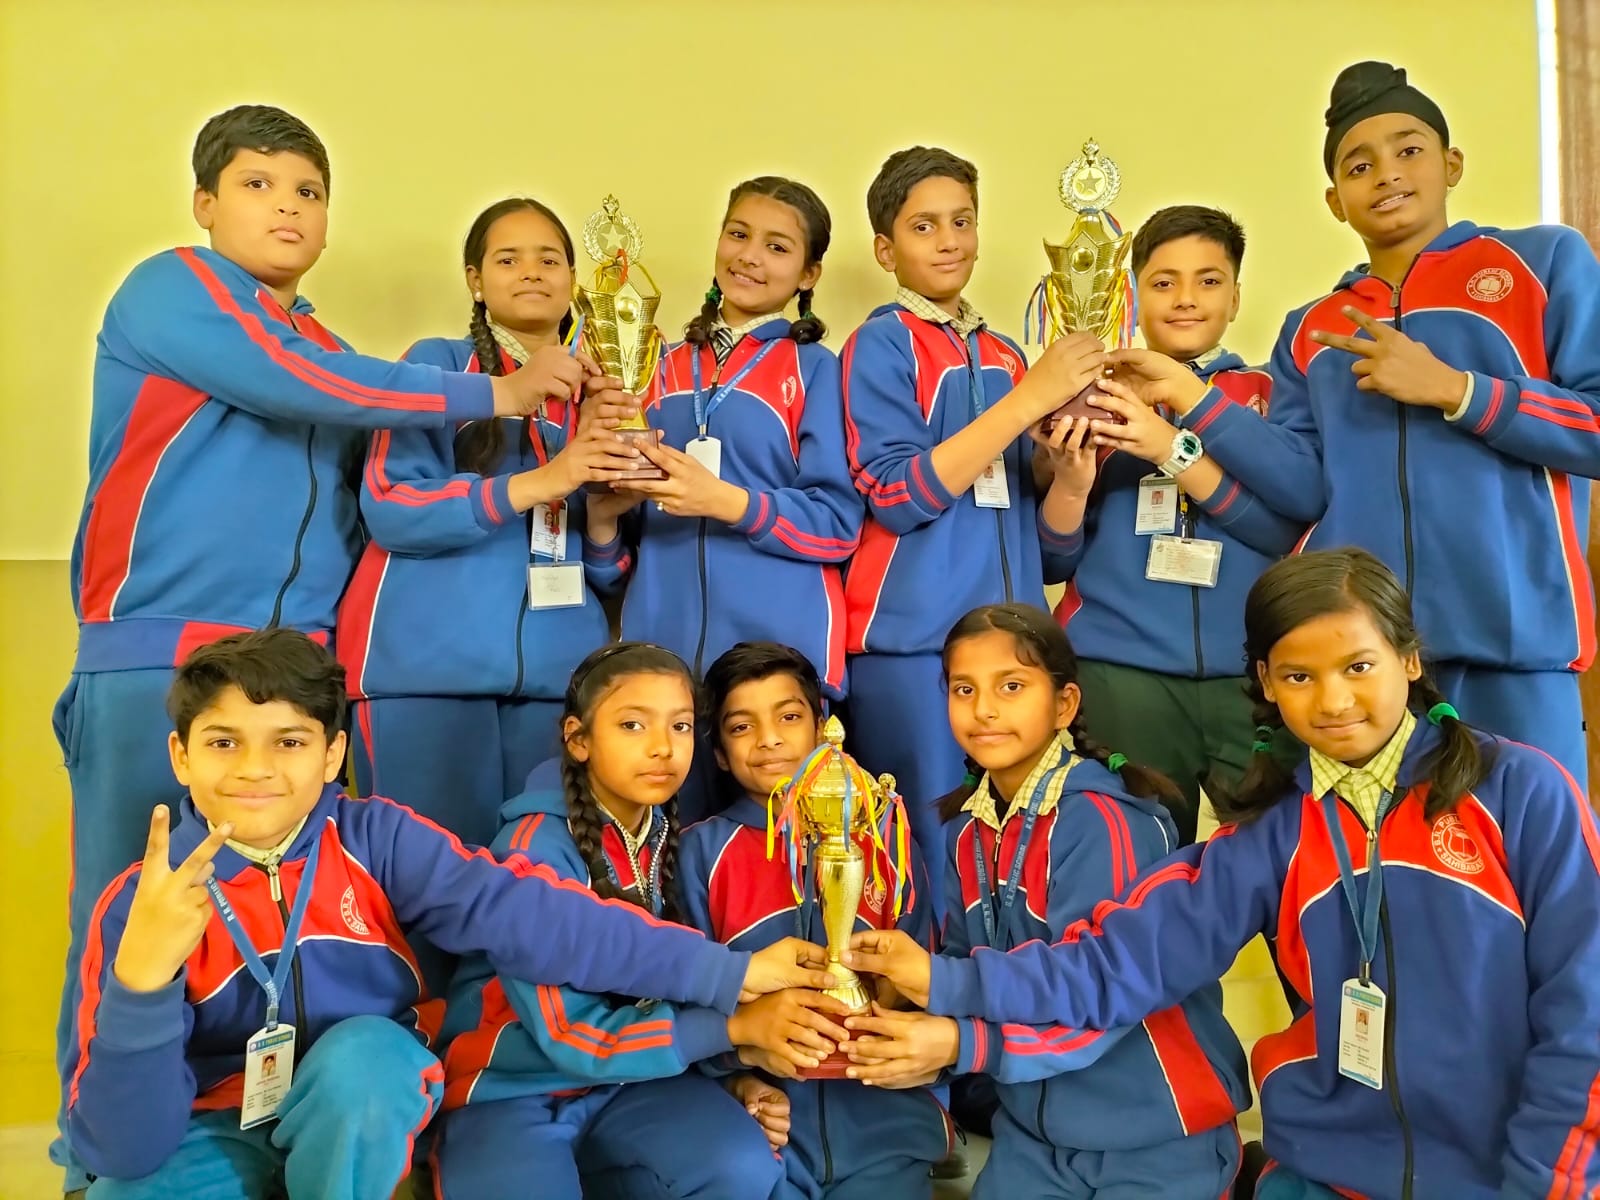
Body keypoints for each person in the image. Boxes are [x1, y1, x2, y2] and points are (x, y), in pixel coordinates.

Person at [847, 549, 1600, 1200]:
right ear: (1267, 683)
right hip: (1322, 1172)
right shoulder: (1271, 834)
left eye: (1359, 667)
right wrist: (939, 980)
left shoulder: (1520, 792)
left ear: (1409, 660)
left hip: (1508, 1172)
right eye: (1299, 675)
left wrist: (1548, 1181)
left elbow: (1584, 1009)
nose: (1333, 700)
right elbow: (1115, 964)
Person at [65, 629, 834, 1199]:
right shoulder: (136, 901)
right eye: (223, 742)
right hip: (212, 1126)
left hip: (360, 1111)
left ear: (332, 757)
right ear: (181, 756)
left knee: (370, 1058)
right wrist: (143, 980)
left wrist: (727, 977)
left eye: (289, 741)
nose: (256, 768)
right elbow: (121, 1148)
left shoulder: (375, 837)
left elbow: (535, 917)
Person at [1110, 61, 1600, 787]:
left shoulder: (1542, 265)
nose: (1387, 174)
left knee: (1539, 846)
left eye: (1409, 150)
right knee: (1374, 852)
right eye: (1359, 165)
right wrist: (1192, 396)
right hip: (1365, 665)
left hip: (1519, 647)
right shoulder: (1312, 329)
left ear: (1451, 164)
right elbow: (1302, 490)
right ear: (1335, 201)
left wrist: (1456, 390)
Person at [337, 197, 643, 843]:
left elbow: (608, 575)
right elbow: (392, 505)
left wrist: (604, 521)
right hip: (425, 678)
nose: (531, 271)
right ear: (475, 280)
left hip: (557, 685)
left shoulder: (599, 391)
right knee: (425, 880)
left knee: (542, 880)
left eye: (549, 259)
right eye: (508, 259)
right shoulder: (438, 366)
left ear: (574, 279)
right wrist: (544, 480)